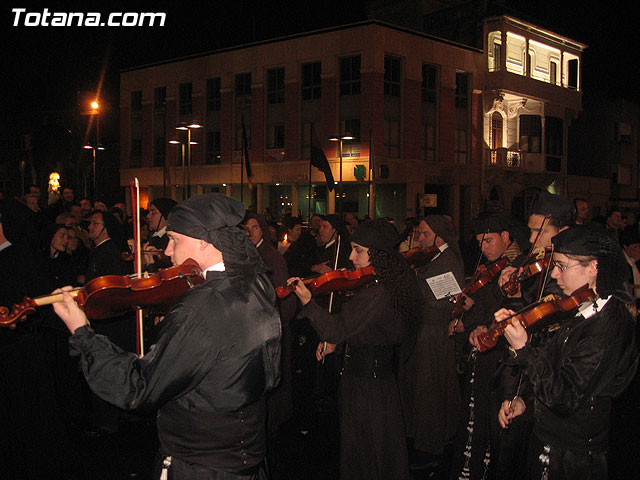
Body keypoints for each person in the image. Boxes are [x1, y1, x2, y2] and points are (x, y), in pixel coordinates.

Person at [52, 193, 281, 479]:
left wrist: (82, 332)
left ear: (203, 240)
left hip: (202, 463)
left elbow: (140, 388)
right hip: (246, 453)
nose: (169, 251)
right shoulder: (256, 281)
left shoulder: (200, 307)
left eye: (174, 239)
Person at [496, 225, 638, 479]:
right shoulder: (585, 308)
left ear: (594, 268)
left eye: (562, 266)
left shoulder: (609, 324)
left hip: (573, 457)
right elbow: (559, 368)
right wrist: (527, 403)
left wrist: (524, 349)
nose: (553, 275)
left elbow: (565, 398)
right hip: (553, 442)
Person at [287, 218, 421, 479]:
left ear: (378, 254)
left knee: (366, 453)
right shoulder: (385, 283)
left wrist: (308, 302)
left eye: (358, 250)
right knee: (369, 451)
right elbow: (367, 331)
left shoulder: (378, 291)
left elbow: (336, 328)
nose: (351, 256)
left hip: (367, 385)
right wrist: (337, 344)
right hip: (373, 379)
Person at [398, 215, 463, 466]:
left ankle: (430, 446)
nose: (420, 239)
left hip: (432, 333)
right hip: (424, 330)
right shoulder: (436, 257)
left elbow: (436, 298)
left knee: (430, 390)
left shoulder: (447, 260)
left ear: (440, 235)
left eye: (424, 234)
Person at [144, 197, 177, 271]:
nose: (148, 216)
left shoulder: (171, 238)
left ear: (165, 215)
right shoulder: (155, 237)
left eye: (153, 212)